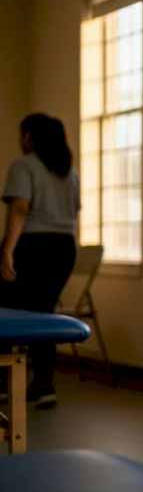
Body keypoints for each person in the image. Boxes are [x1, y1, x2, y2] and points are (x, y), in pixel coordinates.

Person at [0, 113, 80, 408]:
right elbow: (74, 213)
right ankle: (44, 385)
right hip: (64, 248)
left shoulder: (24, 165)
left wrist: (7, 249)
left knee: (6, 310)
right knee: (43, 313)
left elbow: (20, 208)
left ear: (30, 137)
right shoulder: (69, 172)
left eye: (22, 135)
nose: (20, 141)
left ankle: (2, 383)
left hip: (32, 245)